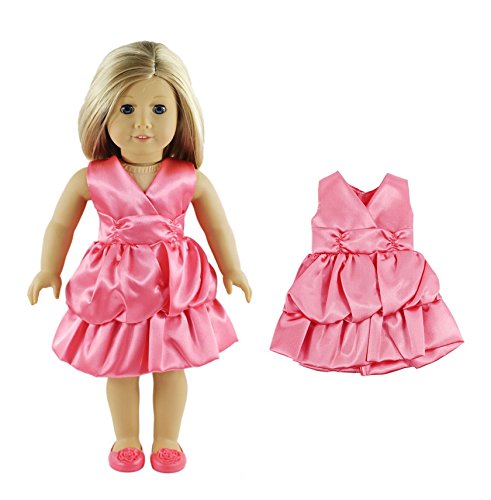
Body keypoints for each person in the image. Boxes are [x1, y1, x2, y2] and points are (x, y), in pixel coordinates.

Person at [27, 40, 251, 473]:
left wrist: (232, 268)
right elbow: (60, 225)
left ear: (181, 114)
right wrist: (47, 269)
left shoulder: (189, 179)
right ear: (103, 111)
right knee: (121, 366)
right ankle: (126, 436)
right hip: (116, 288)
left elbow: (218, 227)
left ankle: (167, 437)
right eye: (127, 109)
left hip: (172, 287)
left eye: (159, 109)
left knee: (171, 365)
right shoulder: (91, 178)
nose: (143, 123)